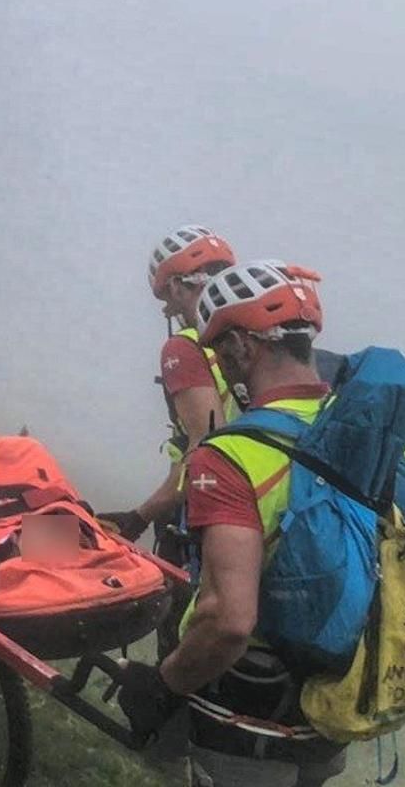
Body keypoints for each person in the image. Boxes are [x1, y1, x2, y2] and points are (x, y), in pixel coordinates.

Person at [114, 261, 405, 786]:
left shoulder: (228, 458)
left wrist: (164, 685)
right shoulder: (397, 451)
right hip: (332, 710)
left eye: (220, 348)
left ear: (245, 347)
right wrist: (389, 637)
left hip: (243, 716)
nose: (221, 365)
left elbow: (228, 621)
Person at [100, 227, 242, 567]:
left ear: (178, 285)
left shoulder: (185, 347)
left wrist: (141, 515)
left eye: (166, 297)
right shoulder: (253, 341)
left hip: (217, 509)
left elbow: (206, 450)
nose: (167, 310)